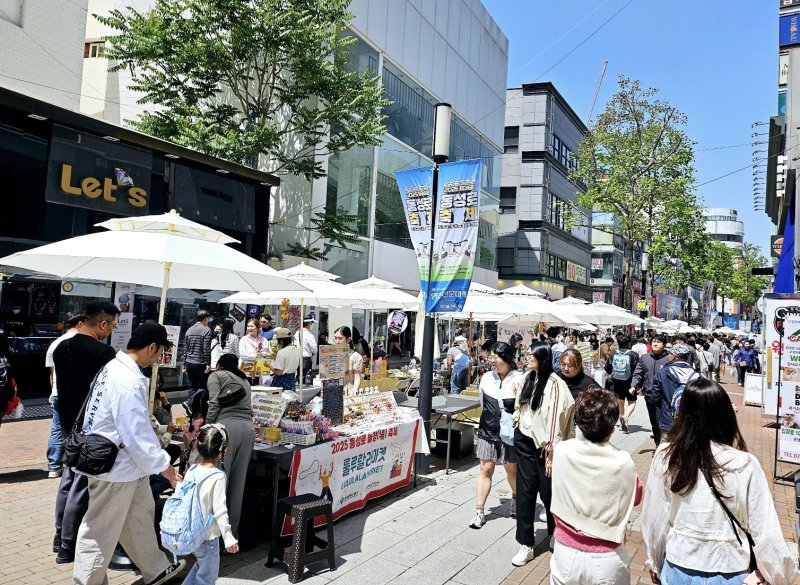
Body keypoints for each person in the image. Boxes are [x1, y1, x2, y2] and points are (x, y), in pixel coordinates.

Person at [641, 378, 798, 585]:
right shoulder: (744, 463)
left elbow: (655, 516)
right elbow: (765, 528)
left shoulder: (666, 456)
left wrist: (654, 560)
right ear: (725, 415)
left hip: (678, 564)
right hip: (730, 568)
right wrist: (776, 574)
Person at [72, 323, 185, 585]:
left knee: (139, 518)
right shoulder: (129, 380)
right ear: (152, 347)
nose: (159, 359)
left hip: (124, 465)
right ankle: (86, 581)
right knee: (99, 530)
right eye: (160, 353)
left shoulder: (113, 367)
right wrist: (165, 467)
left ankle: (156, 569)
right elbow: (136, 433)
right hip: (116, 467)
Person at [550, 388, 642, 585]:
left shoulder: (562, 450)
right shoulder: (623, 462)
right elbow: (636, 496)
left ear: (579, 423)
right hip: (607, 556)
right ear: (612, 429)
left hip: (565, 549)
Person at [53, 301, 120, 564]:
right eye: (111, 326)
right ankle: (67, 547)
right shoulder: (103, 353)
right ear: (102, 323)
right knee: (80, 486)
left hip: (68, 422)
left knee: (67, 482)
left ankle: (59, 537)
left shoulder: (61, 347)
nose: (111, 331)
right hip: (91, 428)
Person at [512, 342, 575, 566]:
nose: (527, 357)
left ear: (543, 357)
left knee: (549, 495)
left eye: (531, 354)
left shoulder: (555, 383)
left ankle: (556, 533)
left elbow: (555, 419)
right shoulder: (528, 378)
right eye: (527, 353)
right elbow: (521, 406)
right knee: (525, 493)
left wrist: (550, 452)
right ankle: (526, 543)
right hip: (524, 440)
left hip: (546, 447)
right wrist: (517, 421)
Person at [470, 342, 523, 529]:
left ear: (507, 358)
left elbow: (524, 409)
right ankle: (479, 511)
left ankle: (516, 500)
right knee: (485, 470)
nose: (492, 360)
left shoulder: (519, 379)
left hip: (510, 433)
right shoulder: (486, 378)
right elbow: (483, 403)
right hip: (488, 430)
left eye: (496, 357)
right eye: (491, 356)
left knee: (512, 471)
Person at [179, 424, 239, 585]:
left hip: (191, 533)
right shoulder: (218, 476)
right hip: (208, 536)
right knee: (207, 577)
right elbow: (220, 511)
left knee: (202, 566)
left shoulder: (192, 470)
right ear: (223, 450)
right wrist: (229, 538)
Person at [205, 353, 254, 543]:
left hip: (226, 429)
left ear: (218, 365)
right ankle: (232, 537)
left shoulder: (216, 376)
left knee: (219, 483)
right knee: (237, 485)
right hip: (248, 429)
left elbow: (214, 402)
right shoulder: (245, 380)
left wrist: (208, 426)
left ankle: (214, 539)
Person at [45, 313, 84, 479]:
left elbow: (52, 373)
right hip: (76, 393)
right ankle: (72, 464)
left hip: (58, 393)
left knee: (56, 428)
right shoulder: (82, 343)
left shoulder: (55, 343)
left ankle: (54, 466)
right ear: (81, 323)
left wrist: (53, 391)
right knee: (77, 429)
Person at [631, 335, 671, 446]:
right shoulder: (645, 358)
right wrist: (634, 385)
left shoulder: (669, 358)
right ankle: (658, 444)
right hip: (649, 394)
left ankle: (663, 446)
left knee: (661, 422)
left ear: (664, 344)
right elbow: (638, 373)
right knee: (653, 422)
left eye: (659, 342)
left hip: (664, 396)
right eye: (654, 341)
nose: (655, 344)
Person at [651, 345, 700, 436]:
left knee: (666, 446)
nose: (668, 356)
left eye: (670, 354)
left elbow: (655, 396)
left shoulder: (664, 372)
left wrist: (662, 406)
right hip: (689, 420)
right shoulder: (696, 375)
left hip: (668, 417)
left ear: (674, 356)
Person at [605, 334, 639, 433]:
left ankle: (621, 419)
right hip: (630, 381)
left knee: (620, 401)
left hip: (616, 381)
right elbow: (637, 370)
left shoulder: (613, 353)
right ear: (629, 343)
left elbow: (608, 368)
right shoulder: (633, 354)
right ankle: (625, 416)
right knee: (632, 402)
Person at [185, 310, 213, 399]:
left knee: (192, 386)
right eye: (208, 319)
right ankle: (199, 409)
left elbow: (186, 349)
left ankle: (190, 405)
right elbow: (206, 349)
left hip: (189, 362)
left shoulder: (189, 330)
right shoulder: (206, 330)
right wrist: (208, 363)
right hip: (200, 363)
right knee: (202, 387)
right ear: (205, 319)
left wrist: (184, 364)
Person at [333, 326, 363, 395]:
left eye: (340, 338)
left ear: (348, 339)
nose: (337, 341)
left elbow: (357, 378)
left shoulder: (355, 356)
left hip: (349, 391)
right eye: (335, 338)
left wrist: (354, 391)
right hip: (334, 391)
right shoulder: (332, 355)